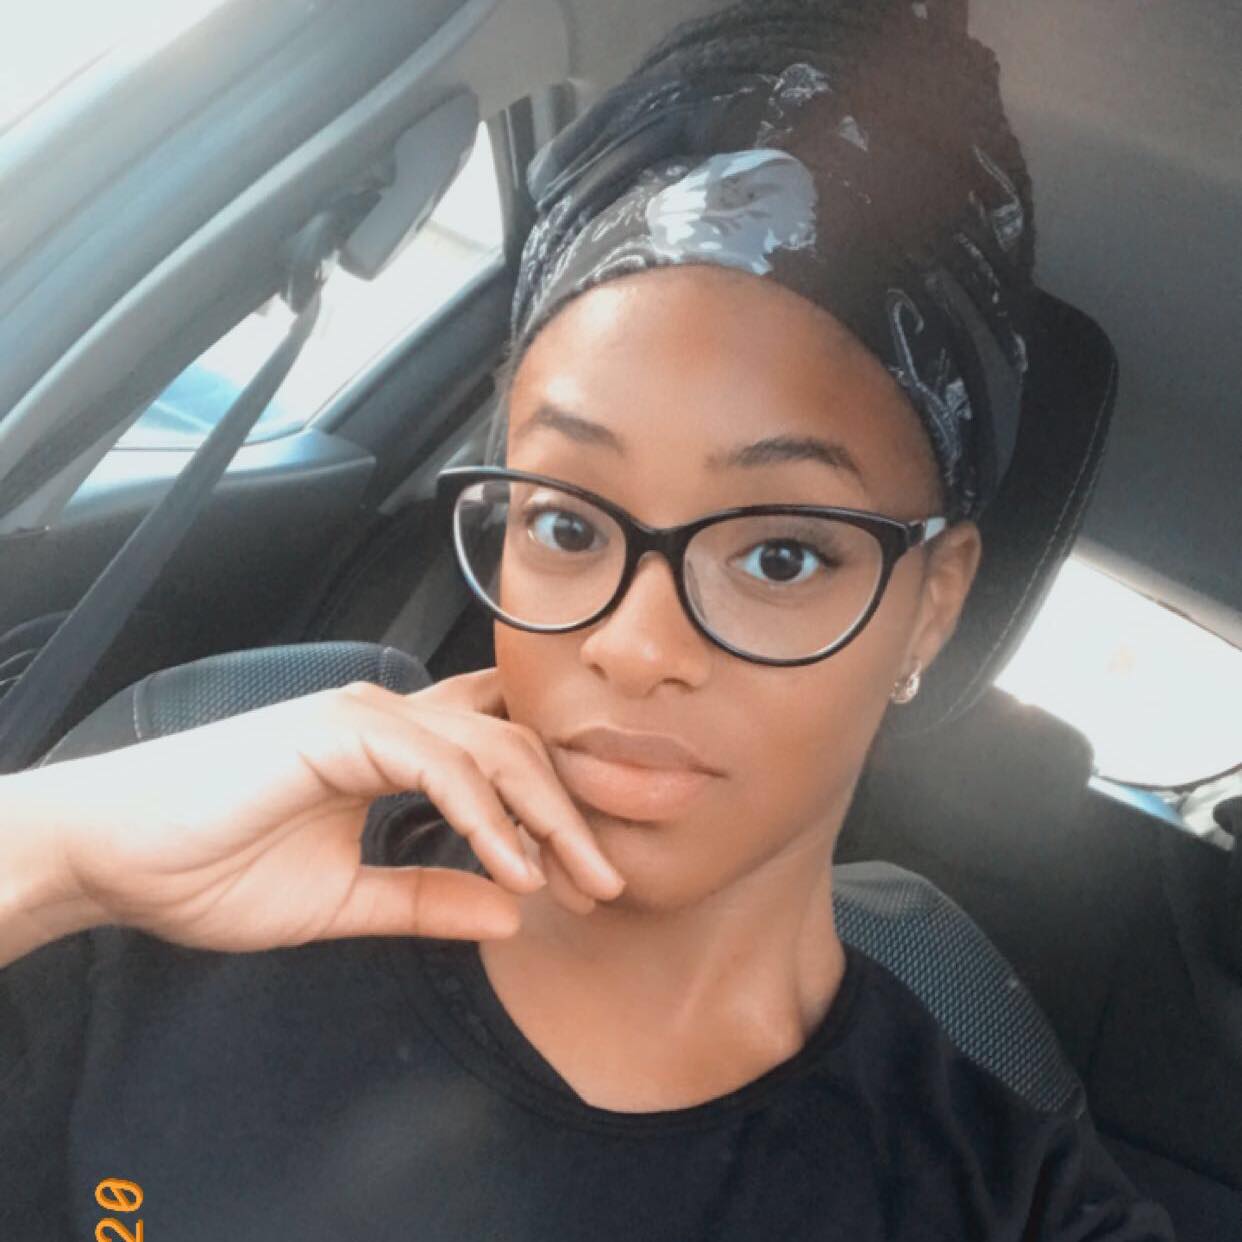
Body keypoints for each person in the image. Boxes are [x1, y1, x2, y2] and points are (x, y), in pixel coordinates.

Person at [0, 1, 1176, 1238]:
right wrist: (53, 854)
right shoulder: (178, 903)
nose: (636, 646)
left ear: (930, 607)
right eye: (567, 524)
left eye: (779, 555)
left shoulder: (1003, 1207)